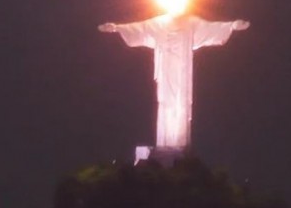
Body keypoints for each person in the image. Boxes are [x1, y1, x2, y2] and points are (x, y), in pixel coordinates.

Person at [99, 14, 249, 148]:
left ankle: (180, 145)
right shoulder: (159, 23)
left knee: (180, 106)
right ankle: (164, 145)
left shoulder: (191, 23)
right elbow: (139, 29)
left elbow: (212, 29)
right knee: (166, 106)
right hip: (166, 74)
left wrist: (232, 26)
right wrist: (116, 28)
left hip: (182, 75)